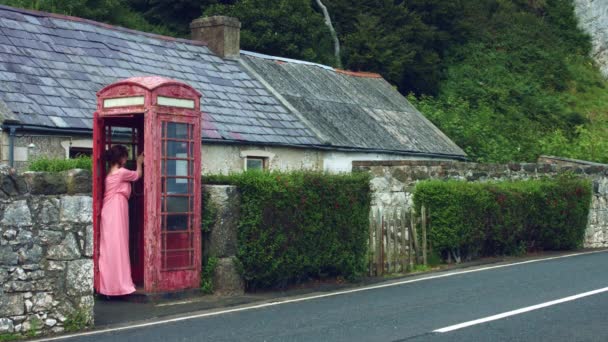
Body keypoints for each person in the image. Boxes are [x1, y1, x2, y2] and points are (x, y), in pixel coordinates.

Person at [98, 145, 144, 296]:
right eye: (124, 156)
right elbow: (137, 175)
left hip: (109, 209)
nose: (126, 159)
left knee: (110, 248)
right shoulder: (122, 173)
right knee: (119, 246)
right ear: (120, 158)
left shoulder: (109, 173)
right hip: (116, 209)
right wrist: (139, 162)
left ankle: (107, 286)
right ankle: (118, 285)